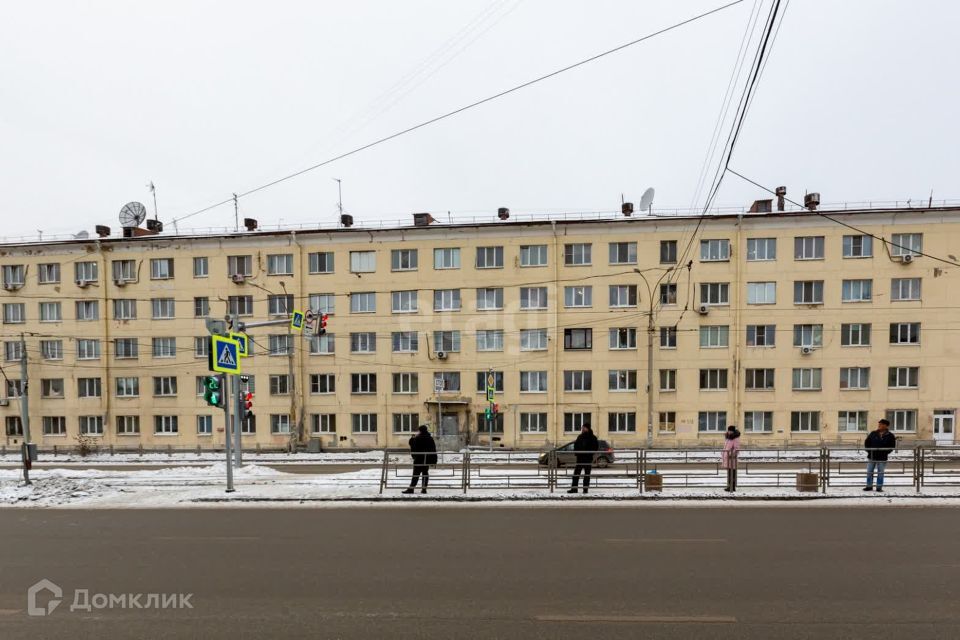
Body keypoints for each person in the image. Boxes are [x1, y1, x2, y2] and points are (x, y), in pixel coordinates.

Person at [864, 418, 897, 492]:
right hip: (872, 455)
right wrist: (869, 451)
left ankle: (879, 487)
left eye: (881, 424)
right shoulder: (873, 433)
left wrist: (885, 452)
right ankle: (869, 486)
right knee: (869, 472)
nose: (879, 425)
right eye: (879, 424)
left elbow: (892, 446)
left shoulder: (890, 435)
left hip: (882, 457)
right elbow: (867, 443)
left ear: (886, 426)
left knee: (880, 473)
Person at [402, 425, 437, 494]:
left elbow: (413, 446)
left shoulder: (418, 438)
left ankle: (411, 489)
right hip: (427, 459)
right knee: (425, 473)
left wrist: (412, 439)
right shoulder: (430, 438)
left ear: (420, 430)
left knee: (416, 474)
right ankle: (424, 489)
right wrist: (434, 460)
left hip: (419, 459)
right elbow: (433, 449)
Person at [568, 424, 599, 494]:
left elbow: (595, 448)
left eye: (584, 428)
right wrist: (577, 453)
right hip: (580, 458)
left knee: (587, 475)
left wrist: (589, 454)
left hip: (588, 459)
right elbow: (576, 445)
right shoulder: (580, 436)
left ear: (587, 428)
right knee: (576, 474)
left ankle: (585, 490)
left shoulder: (593, 438)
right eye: (582, 428)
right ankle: (574, 489)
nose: (582, 429)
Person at [721, 424, 741, 492]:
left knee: (732, 473)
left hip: (732, 458)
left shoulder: (735, 438)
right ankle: (730, 486)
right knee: (729, 473)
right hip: (727, 457)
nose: (729, 432)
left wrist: (731, 454)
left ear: (733, 431)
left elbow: (737, 448)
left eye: (730, 431)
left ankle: (732, 487)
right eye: (728, 430)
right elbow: (726, 447)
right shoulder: (728, 437)